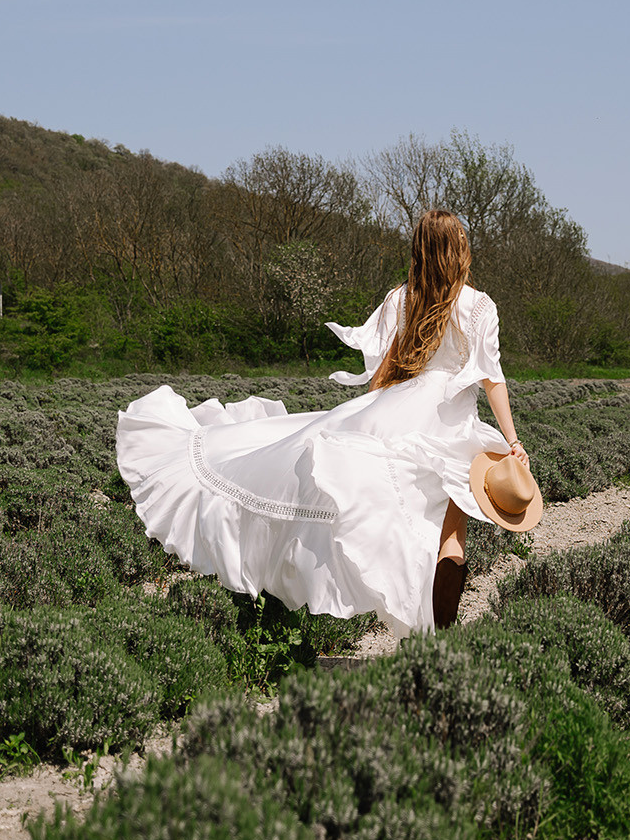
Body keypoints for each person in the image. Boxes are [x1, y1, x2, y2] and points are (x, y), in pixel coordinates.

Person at [114, 209, 536, 636]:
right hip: (451, 424)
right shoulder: (479, 306)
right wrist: (512, 440)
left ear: (420, 248)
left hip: (400, 407)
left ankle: (418, 625)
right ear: (461, 248)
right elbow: (492, 379)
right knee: (450, 535)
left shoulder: (403, 297)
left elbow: (386, 370)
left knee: (387, 511)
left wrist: (366, 413)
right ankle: (439, 635)